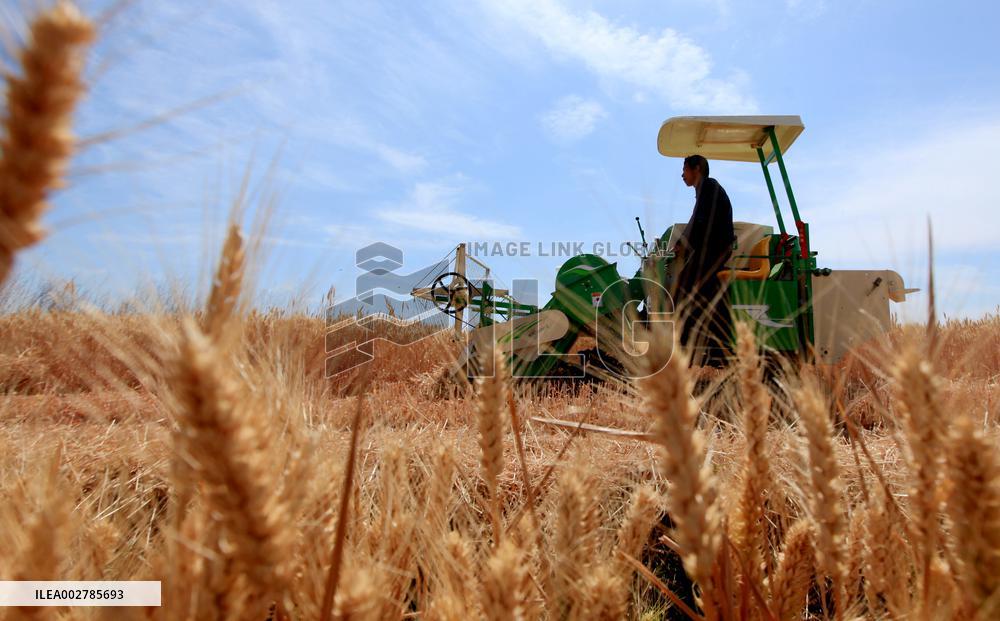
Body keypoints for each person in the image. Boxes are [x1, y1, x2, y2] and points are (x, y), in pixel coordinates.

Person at [672, 154, 734, 366]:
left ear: (696, 168)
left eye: (684, 169)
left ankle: (689, 345)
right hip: (712, 250)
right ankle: (703, 345)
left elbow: (699, 223)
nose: (682, 175)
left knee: (682, 287)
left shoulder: (709, 187)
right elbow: (696, 222)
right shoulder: (704, 190)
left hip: (715, 250)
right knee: (693, 287)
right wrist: (682, 243)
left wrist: (682, 246)